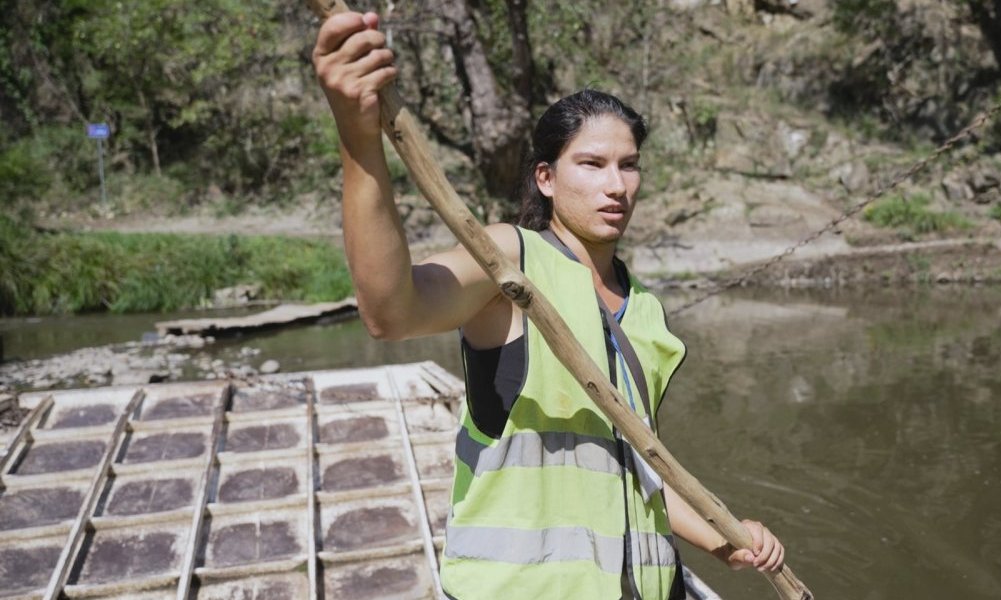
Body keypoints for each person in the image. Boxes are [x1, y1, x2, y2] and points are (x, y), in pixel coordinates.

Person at [313, 11, 785, 599]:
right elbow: (391, 311)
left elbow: (643, 471)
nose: (617, 185)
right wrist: (359, 142)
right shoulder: (512, 263)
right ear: (546, 177)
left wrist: (727, 538)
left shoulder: (645, 313)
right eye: (591, 164)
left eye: (629, 164)